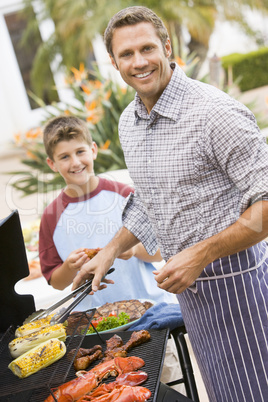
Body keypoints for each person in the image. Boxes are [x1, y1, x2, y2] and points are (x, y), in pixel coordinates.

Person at [72, 6, 268, 402]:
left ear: (167, 47)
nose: (139, 62)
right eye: (126, 54)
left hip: (239, 287)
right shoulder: (129, 121)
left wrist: (198, 255)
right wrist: (110, 251)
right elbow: (151, 198)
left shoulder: (214, 113)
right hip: (188, 291)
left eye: (147, 48)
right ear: (113, 62)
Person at [39, 115, 176, 311]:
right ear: (52, 164)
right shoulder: (51, 216)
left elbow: (161, 253)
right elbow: (56, 282)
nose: (76, 162)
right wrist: (69, 267)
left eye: (80, 152)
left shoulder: (125, 195)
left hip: (149, 306)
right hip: (95, 317)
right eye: (64, 157)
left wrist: (135, 250)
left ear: (93, 150)